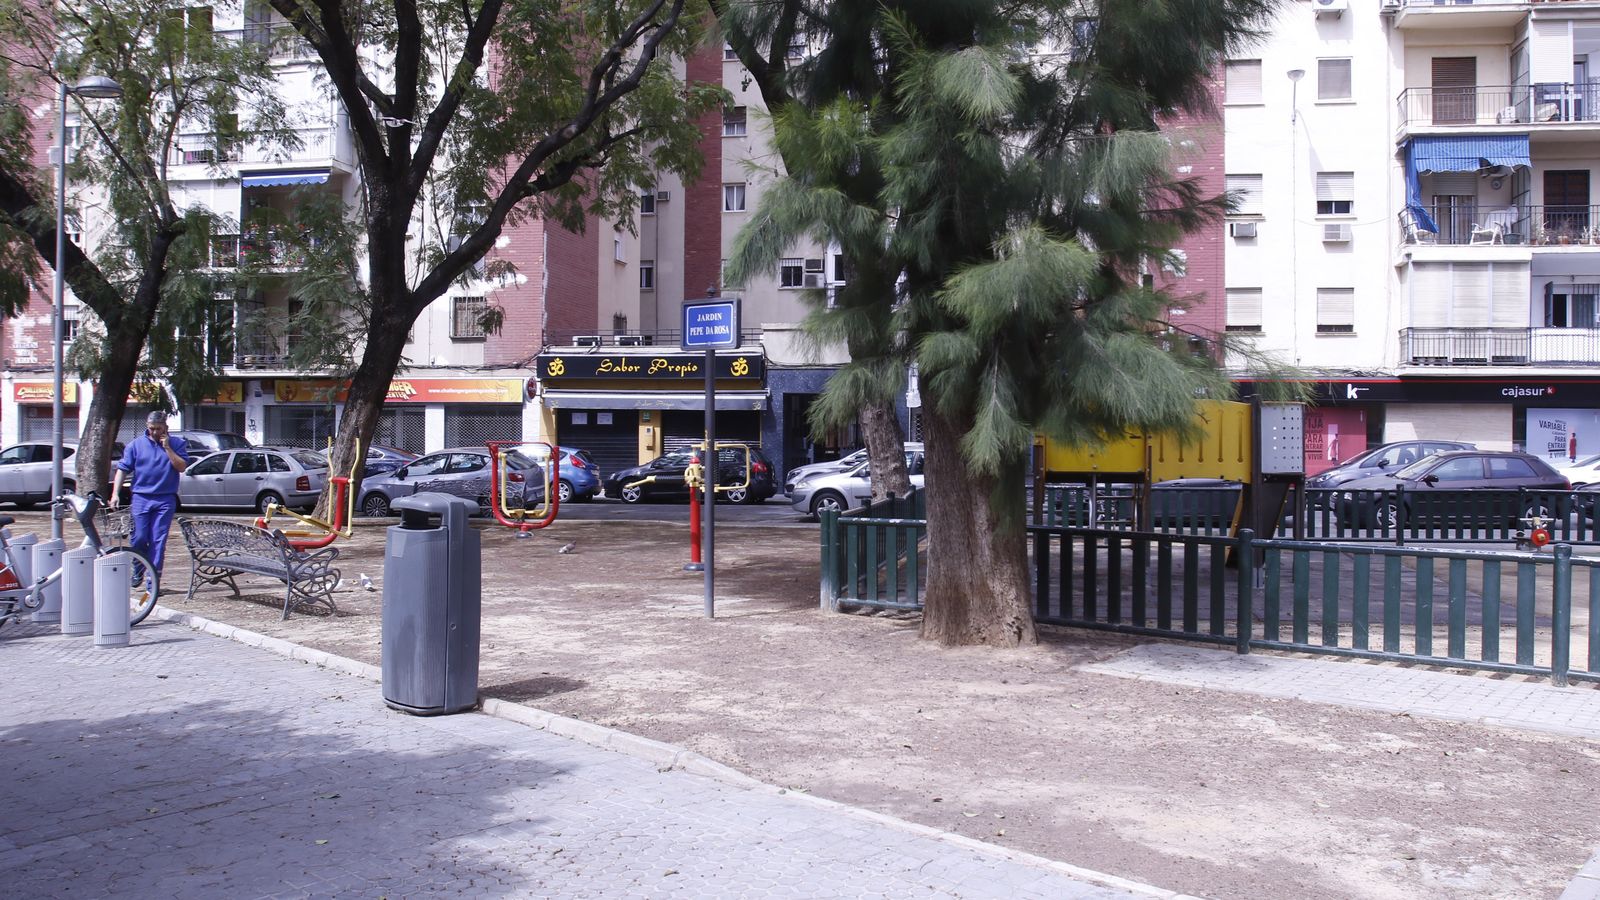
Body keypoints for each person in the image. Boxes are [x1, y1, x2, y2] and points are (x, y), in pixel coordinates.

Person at [109, 411, 190, 579]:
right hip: (141, 497)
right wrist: (115, 493)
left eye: (158, 429)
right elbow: (122, 470)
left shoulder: (177, 444)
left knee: (158, 541)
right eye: (152, 428)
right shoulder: (135, 445)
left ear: (165, 428)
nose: (155, 432)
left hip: (165, 499)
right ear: (147, 426)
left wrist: (167, 448)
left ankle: (153, 580)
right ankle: (138, 567)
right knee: (139, 537)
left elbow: (181, 467)